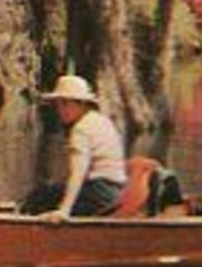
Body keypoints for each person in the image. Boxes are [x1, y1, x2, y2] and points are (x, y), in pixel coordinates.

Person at [21, 75, 127, 221]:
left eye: (65, 103)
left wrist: (64, 210)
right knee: (50, 191)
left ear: (81, 104)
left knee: (39, 196)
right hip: (116, 191)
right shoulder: (101, 120)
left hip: (99, 193)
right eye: (58, 104)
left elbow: (78, 173)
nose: (60, 109)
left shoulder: (81, 129)